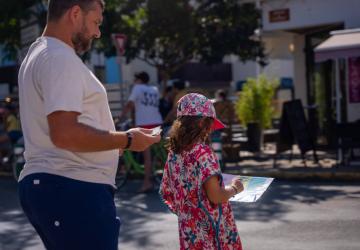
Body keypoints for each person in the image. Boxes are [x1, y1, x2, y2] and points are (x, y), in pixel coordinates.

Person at [17, 1, 160, 250]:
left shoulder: (41, 53)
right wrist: (126, 139)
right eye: (96, 22)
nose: (97, 32)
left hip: (59, 185)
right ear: (75, 13)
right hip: (72, 188)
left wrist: (113, 144)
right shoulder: (59, 58)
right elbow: (65, 134)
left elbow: (65, 131)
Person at [160, 93, 244, 249]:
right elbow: (216, 196)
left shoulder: (174, 153)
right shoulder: (203, 153)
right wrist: (235, 188)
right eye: (210, 124)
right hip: (210, 234)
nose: (211, 130)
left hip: (189, 232)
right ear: (202, 123)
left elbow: (168, 192)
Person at [119, 71, 163, 192]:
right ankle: (155, 174)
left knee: (146, 155)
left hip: (145, 124)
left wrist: (120, 117)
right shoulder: (154, 89)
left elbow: (129, 104)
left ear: (138, 79)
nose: (134, 82)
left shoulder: (137, 88)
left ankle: (147, 183)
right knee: (155, 151)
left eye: (135, 79)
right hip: (157, 122)